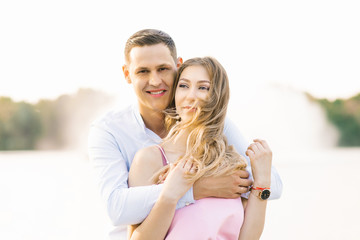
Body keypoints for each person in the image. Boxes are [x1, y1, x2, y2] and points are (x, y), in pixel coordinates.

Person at [88, 29, 283, 239]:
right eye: (143, 71)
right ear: (127, 74)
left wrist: (258, 184)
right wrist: (195, 188)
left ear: (177, 66)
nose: (154, 81)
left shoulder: (219, 135)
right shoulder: (110, 132)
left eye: (162, 69)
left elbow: (273, 185)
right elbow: (116, 209)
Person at [128, 57, 272, 239]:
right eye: (183, 86)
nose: (190, 96)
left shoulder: (231, 162)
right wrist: (170, 196)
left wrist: (263, 182)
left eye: (203, 88)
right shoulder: (150, 159)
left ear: (217, 97)